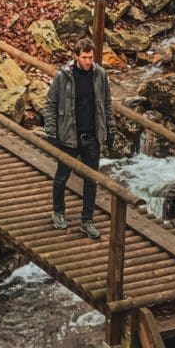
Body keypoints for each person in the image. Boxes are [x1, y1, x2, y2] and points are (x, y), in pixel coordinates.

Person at [43, 38, 116, 239]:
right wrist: (51, 132)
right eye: (84, 57)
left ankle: (87, 220)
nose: (88, 61)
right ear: (76, 56)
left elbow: (106, 105)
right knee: (61, 177)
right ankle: (58, 212)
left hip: (92, 137)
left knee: (91, 180)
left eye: (91, 57)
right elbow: (50, 104)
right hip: (68, 135)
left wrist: (111, 129)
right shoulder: (63, 76)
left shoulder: (100, 74)